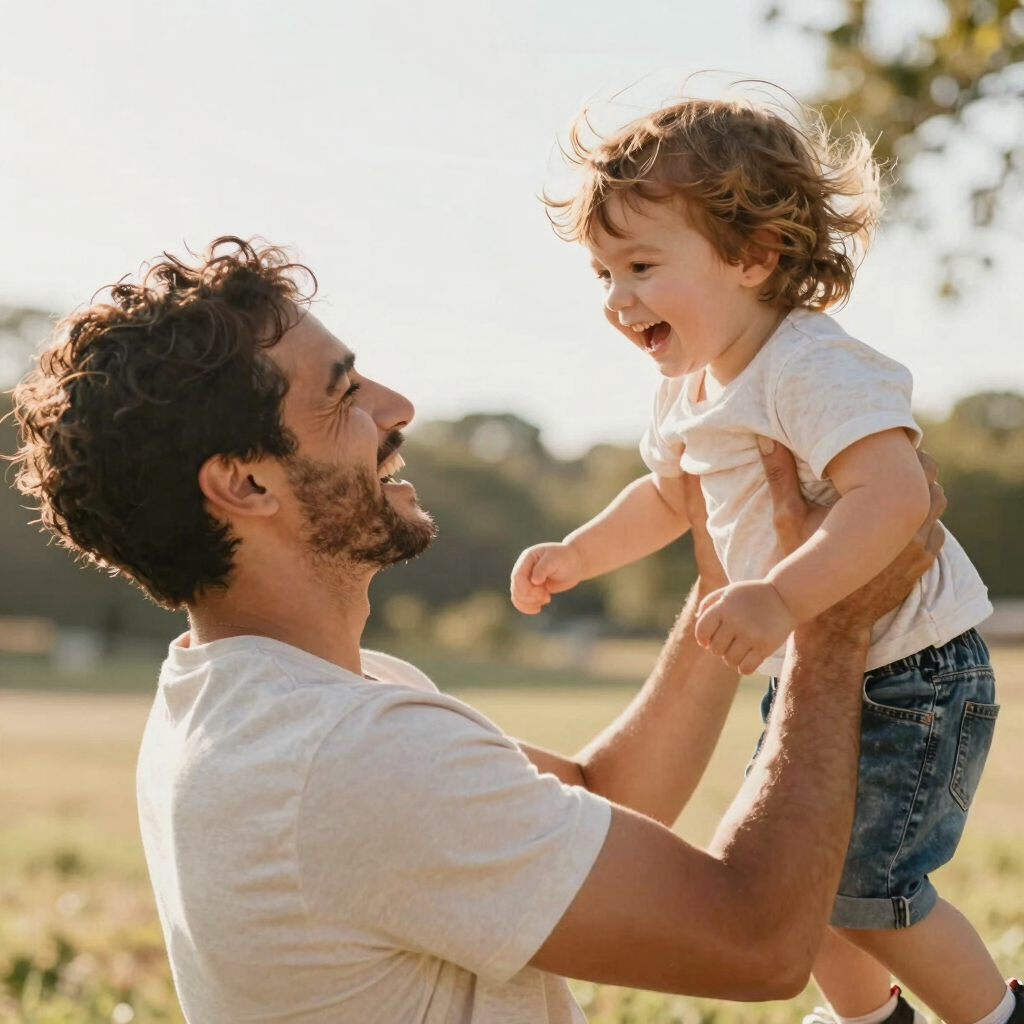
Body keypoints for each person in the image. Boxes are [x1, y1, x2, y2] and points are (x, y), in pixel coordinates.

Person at [12, 236, 960, 1024]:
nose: (397, 409)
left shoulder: (256, 697)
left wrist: (722, 579)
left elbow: (603, 795)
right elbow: (755, 945)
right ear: (246, 484)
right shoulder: (346, 755)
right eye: (343, 394)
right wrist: (831, 636)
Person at [510, 97, 1018, 1024]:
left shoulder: (808, 366)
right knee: (794, 862)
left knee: (868, 882)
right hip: (817, 669)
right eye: (603, 272)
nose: (618, 298)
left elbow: (896, 496)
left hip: (914, 668)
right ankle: (868, 1018)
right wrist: (578, 554)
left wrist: (781, 597)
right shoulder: (691, 384)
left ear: (754, 256)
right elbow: (670, 496)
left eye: (643, 265)